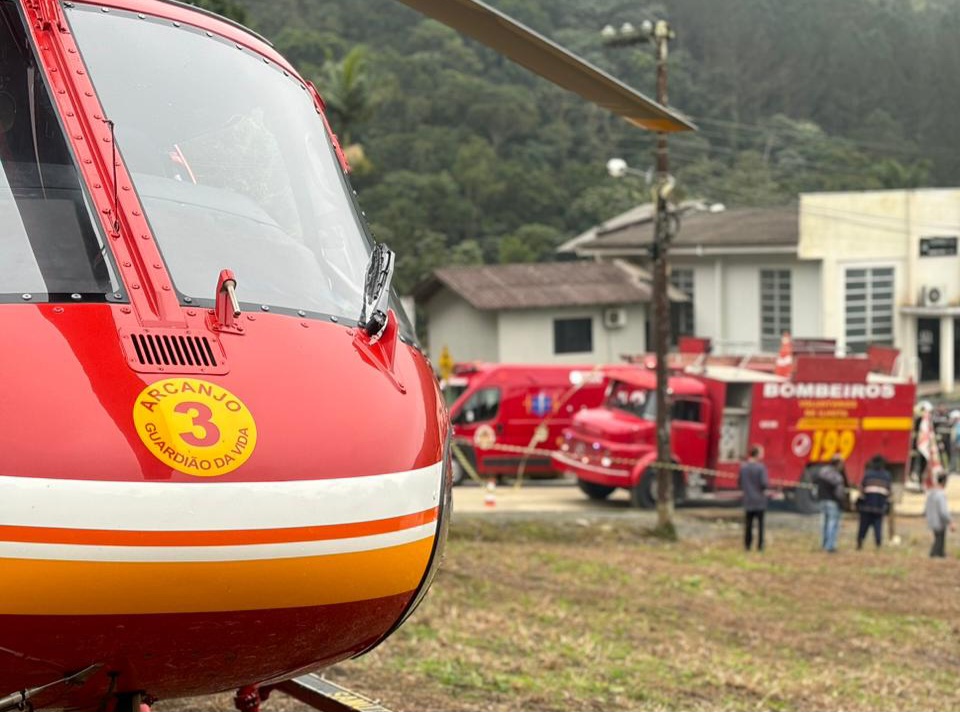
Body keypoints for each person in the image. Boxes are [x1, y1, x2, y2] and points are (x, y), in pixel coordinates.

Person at [856, 454, 892, 549]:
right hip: (879, 507)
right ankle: (878, 544)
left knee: (863, 527)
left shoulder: (868, 474)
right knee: (878, 527)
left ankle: (860, 543)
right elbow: (889, 492)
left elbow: (862, 490)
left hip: (866, 507)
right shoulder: (887, 476)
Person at [814, 455, 848, 552]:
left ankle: (824, 544)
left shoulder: (822, 472)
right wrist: (843, 503)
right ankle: (830, 546)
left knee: (824, 524)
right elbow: (839, 492)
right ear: (838, 464)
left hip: (822, 500)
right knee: (832, 524)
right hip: (833, 502)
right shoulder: (836, 476)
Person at [739, 444, 769, 552]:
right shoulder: (761, 468)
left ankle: (747, 545)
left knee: (748, 525)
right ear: (757, 455)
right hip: (760, 500)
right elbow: (764, 483)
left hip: (748, 500)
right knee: (760, 525)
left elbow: (740, 483)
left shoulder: (744, 468)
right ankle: (760, 546)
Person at [924, 472, 956, 558]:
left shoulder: (931, 493)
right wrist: (950, 521)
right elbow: (943, 511)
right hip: (939, 522)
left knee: (938, 540)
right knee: (939, 542)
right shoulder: (941, 494)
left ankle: (939, 555)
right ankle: (936, 555)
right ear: (945, 482)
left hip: (931, 520)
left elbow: (925, 508)